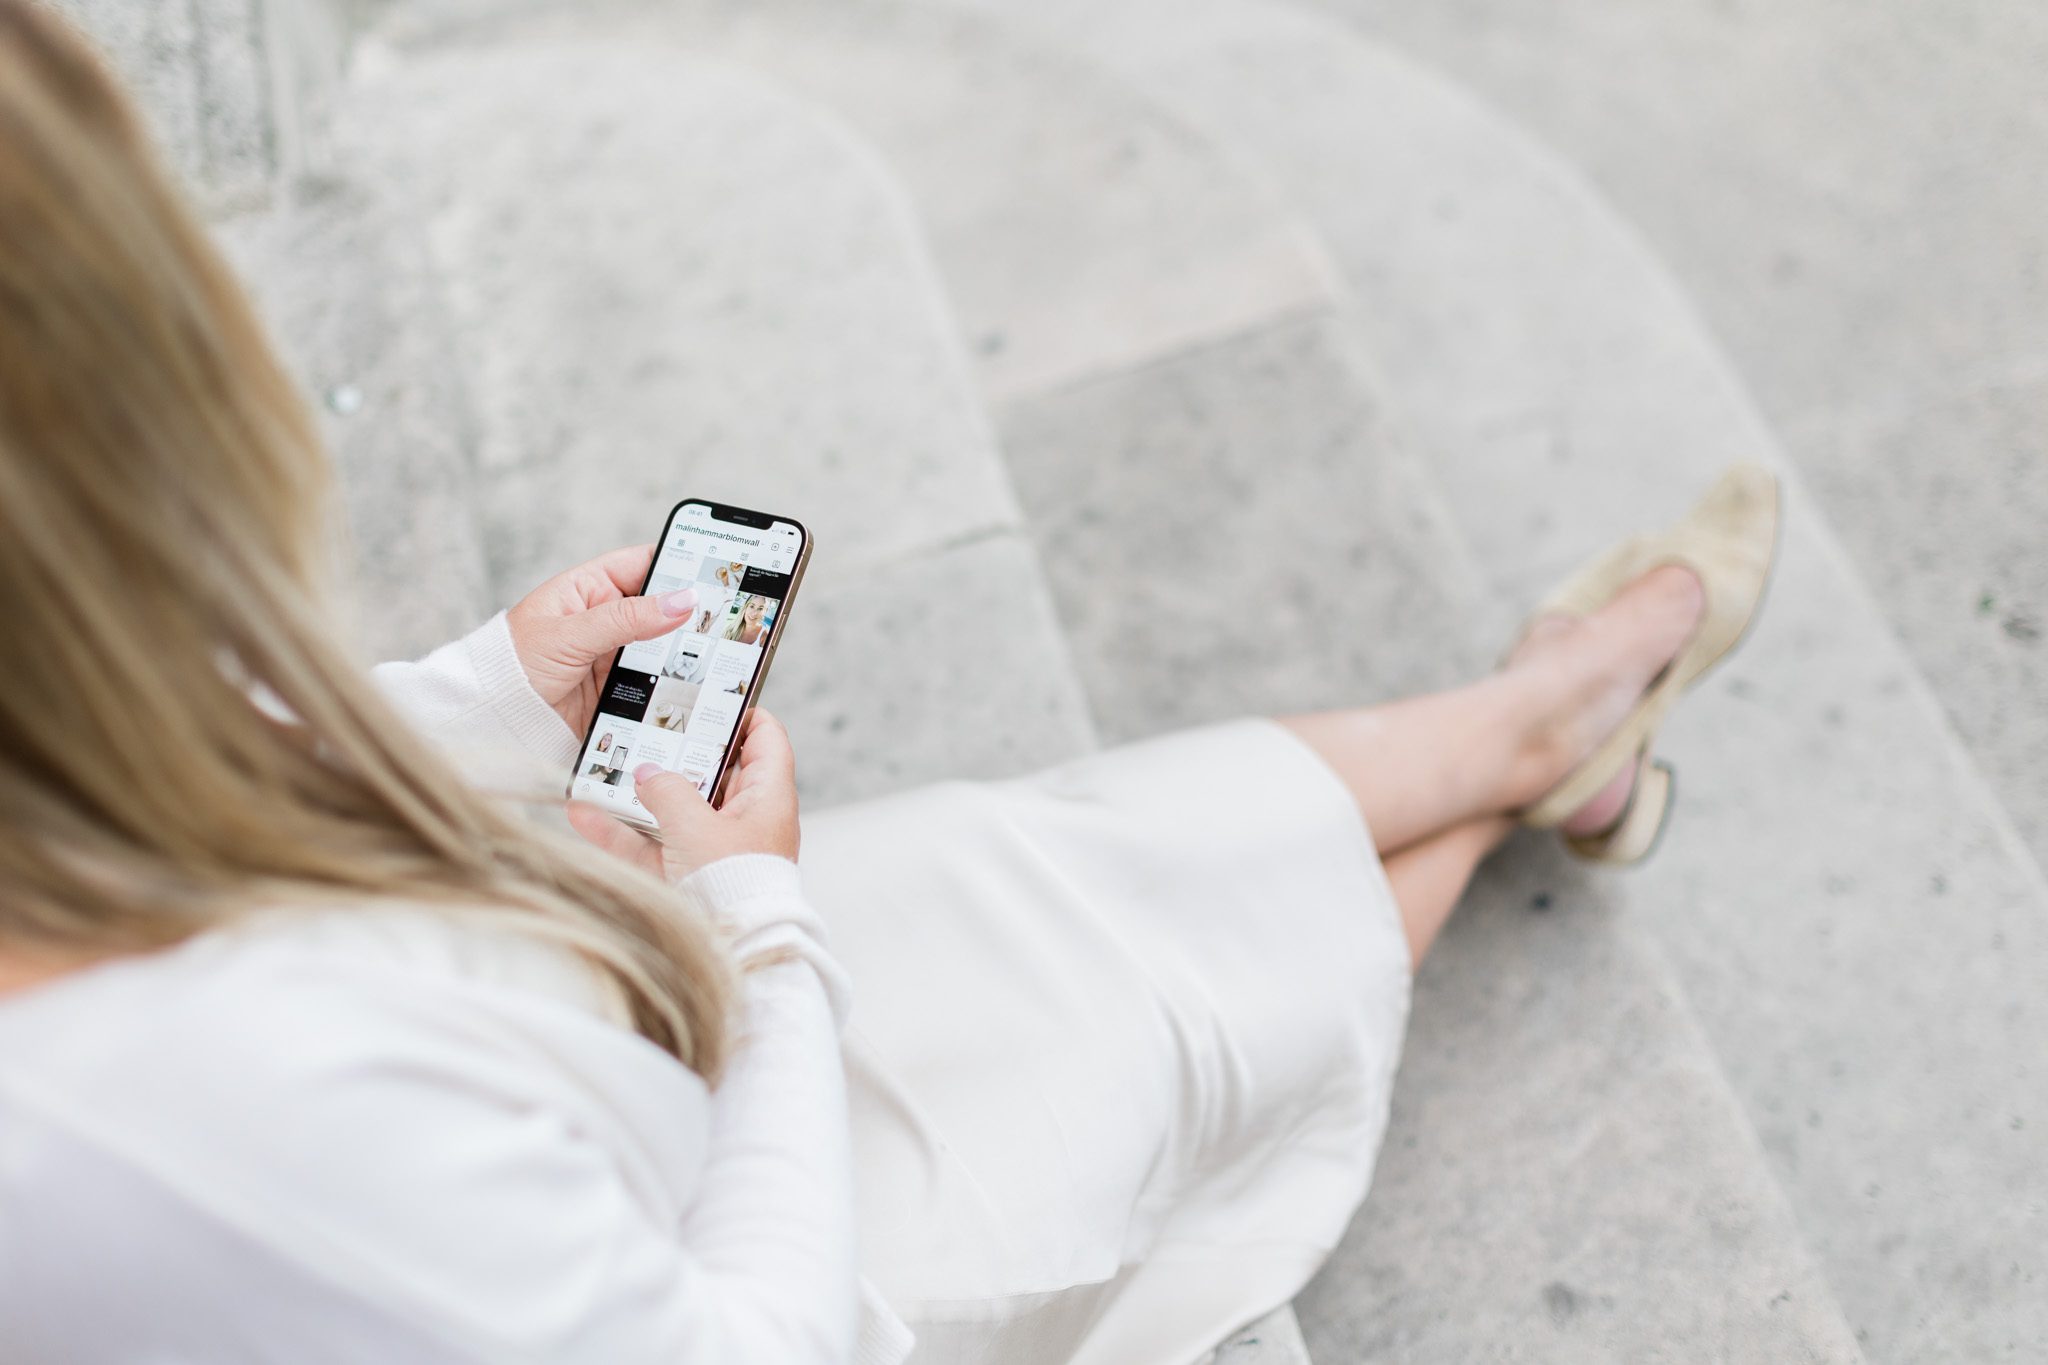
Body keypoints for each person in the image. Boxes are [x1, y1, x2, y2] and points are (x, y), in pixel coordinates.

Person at [0, 6, 1778, 1364]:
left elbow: (134, 755)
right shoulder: (188, 1129)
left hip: (612, 1007)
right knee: (1165, 1040)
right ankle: (1551, 735)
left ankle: (1540, 736)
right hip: (751, 1226)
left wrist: (481, 699)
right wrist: (761, 930)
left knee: (1059, 863)